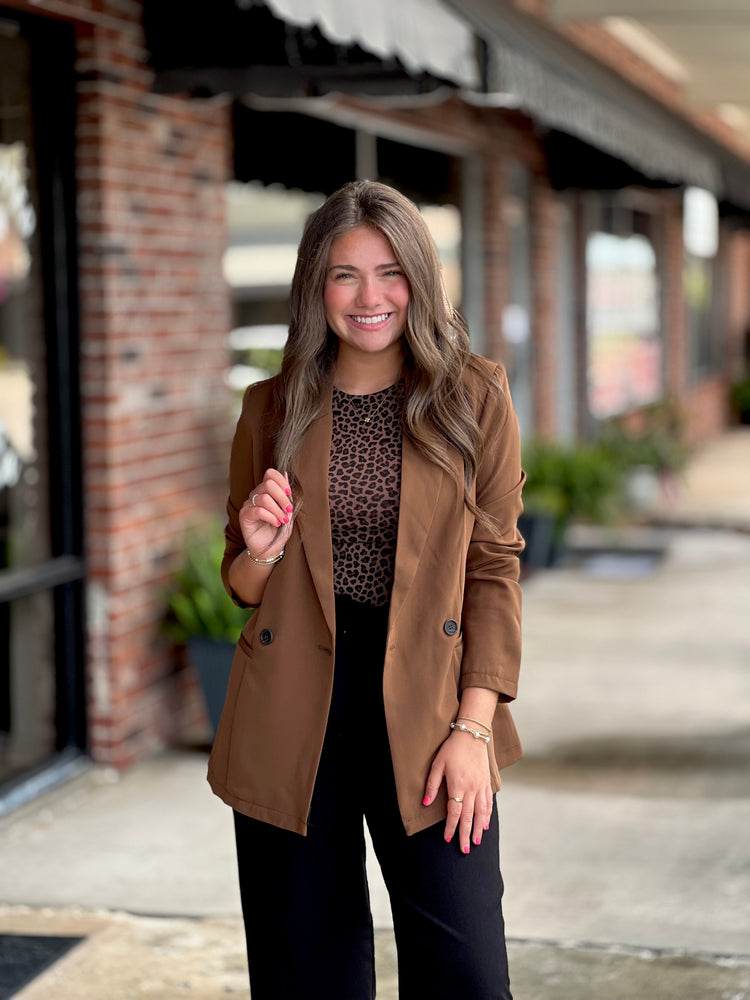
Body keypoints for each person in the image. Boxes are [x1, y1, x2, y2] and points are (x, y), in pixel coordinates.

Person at [208, 180, 525, 1000]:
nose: (369, 296)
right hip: (295, 707)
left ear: (419, 279)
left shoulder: (472, 397)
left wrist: (474, 727)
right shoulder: (272, 408)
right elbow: (241, 586)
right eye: (344, 275)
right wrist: (258, 550)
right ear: (317, 288)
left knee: (466, 972)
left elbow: (493, 569)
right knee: (305, 973)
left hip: (429, 704)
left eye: (390, 272)